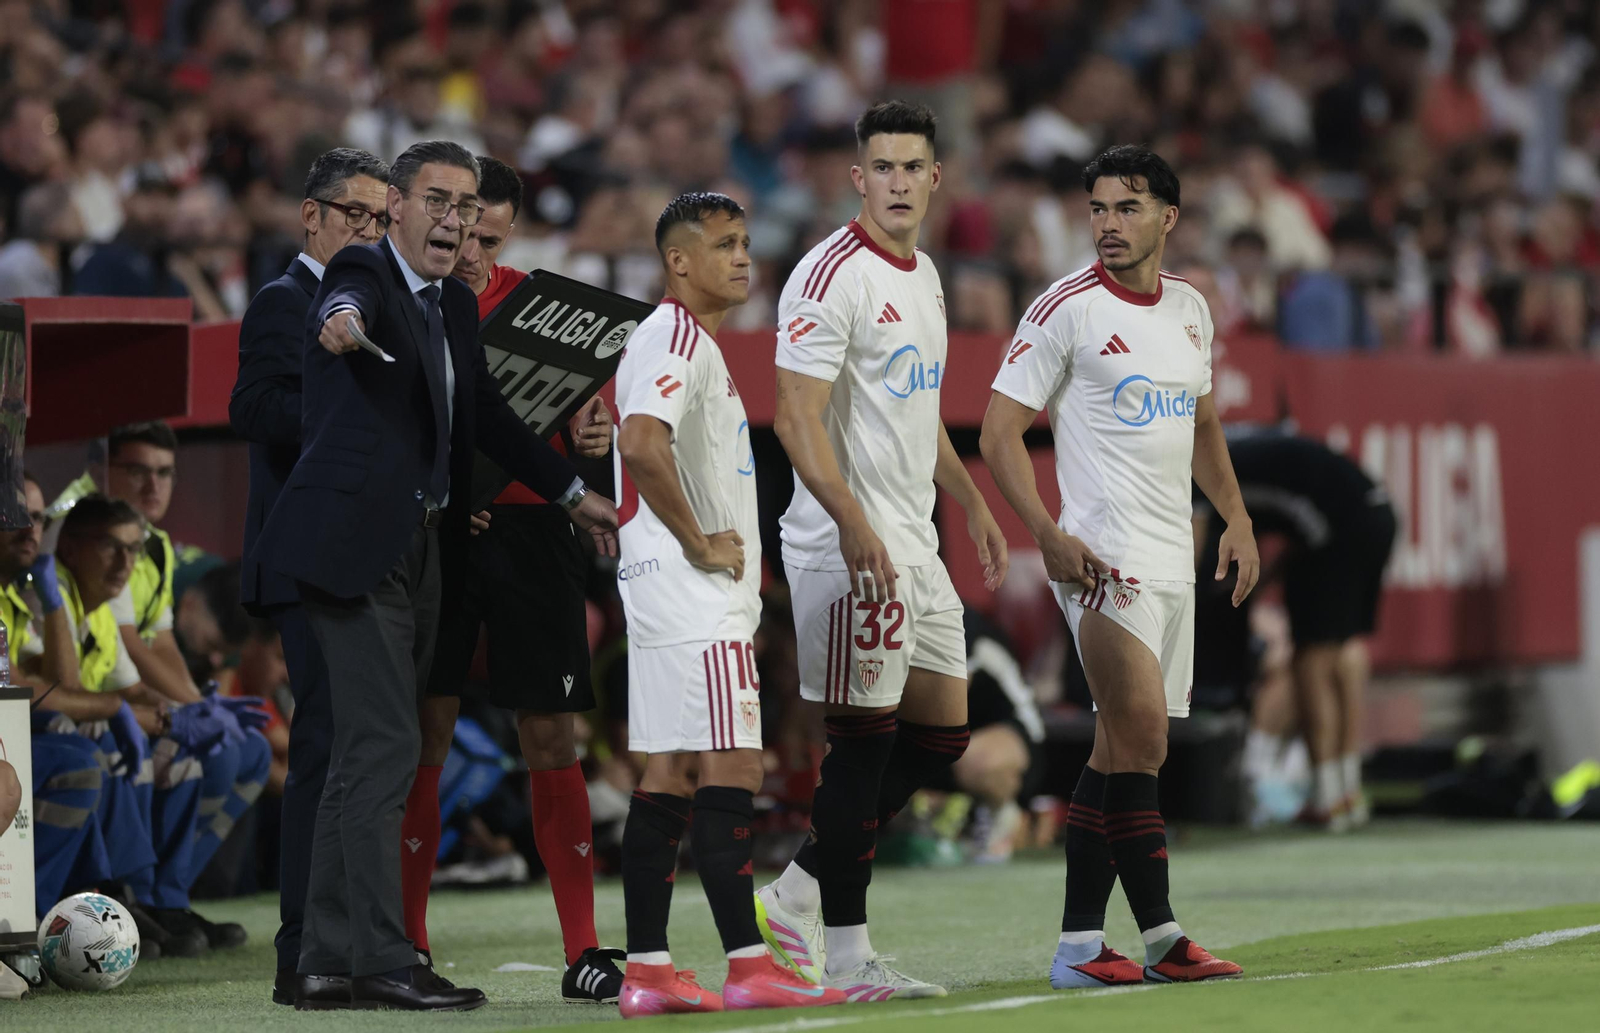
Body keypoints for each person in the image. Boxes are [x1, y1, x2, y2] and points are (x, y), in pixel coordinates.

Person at [252, 139, 618, 1012]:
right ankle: (384, 956)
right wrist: (340, 320)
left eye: (467, 207)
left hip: (423, 546)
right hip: (353, 549)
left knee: (364, 752)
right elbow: (345, 298)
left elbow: (488, 414)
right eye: (437, 201)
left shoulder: (451, 303)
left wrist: (572, 493)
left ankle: (324, 962)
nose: (454, 221)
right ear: (397, 206)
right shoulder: (367, 273)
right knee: (385, 746)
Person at [980, 145, 1260, 988]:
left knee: (1121, 750)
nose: (1108, 223)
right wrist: (1045, 533)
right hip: (1100, 558)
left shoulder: (1190, 309)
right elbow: (998, 432)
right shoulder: (1064, 308)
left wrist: (1237, 516)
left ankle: (1078, 947)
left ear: (1167, 218)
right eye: (1098, 208)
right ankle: (1163, 938)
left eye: (1127, 208)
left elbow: (1203, 423)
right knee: (1140, 738)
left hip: (1174, 561)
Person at [755, 100, 1008, 1000]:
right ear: (858, 178)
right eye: (883, 168)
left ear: (937, 178)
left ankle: (793, 891)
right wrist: (852, 520)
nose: (899, 182)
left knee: (941, 734)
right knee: (861, 746)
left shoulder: (927, 274)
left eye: (913, 167)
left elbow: (918, 408)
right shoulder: (830, 275)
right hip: (845, 543)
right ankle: (848, 955)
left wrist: (971, 500)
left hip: (914, 540)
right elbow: (794, 416)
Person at [613, 191, 845, 1016]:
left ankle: (647, 971)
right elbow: (641, 442)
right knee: (732, 765)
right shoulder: (676, 336)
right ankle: (749, 965)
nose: (743, 257)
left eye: (745, 242)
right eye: (723, 245)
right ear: (678, 262)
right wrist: (702, 543)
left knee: (672, 769)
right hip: (693, 593)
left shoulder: (675, 340)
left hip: (664, 591)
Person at [403, 156, 621, 1002]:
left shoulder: (548, 312)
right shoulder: (411, 301)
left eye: (488, 237)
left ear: (510, 231)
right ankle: (409, 944)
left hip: (535, 532)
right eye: (461, 230)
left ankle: (584, 948)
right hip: (442, 534)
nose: (470, 251)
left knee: (552, 737)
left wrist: (595, 434)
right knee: (427, 732)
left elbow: (586, 421)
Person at [227, 145, 390, 1007]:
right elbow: (251, 409)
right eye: (354, 214)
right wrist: (352, 415)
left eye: (380, 218)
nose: (368, 230)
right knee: (324, 751)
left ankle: (350, 942)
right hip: (305, 558)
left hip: (356, 555)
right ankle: (304, 951)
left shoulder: (376, 303)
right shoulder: (283, 301)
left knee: (358, 753)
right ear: (311, 216)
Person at [105, 422, 270, 952]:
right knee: (211, 755)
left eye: (165, 473)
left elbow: (160, 643)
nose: (153, 485)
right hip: (100, 702)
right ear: (107, 471)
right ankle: (140, 896)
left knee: (252, 752)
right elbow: (130, 645)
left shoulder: (154, 545)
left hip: (133, 697)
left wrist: (198, 705)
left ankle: (169, 897)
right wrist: (183, 711)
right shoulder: (95, 534)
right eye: (138, 471)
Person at [1196, 433, 1397, 830]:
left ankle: (1327, 797)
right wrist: (1269, 576)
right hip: (1377, 513)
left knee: (1312, 657)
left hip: (1336, 530)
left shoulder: (1197, 472)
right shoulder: (1241, 449)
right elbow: (1304, 503)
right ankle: (1346, 791)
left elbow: (1190, 554)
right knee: (1344, 649)